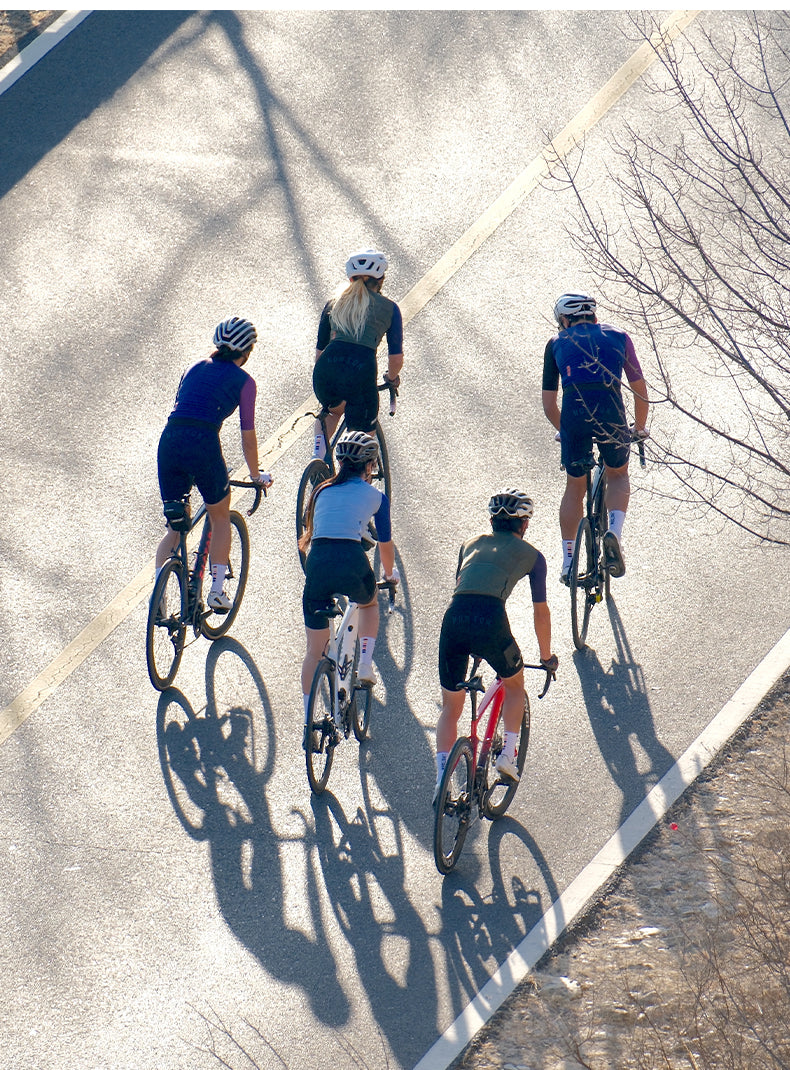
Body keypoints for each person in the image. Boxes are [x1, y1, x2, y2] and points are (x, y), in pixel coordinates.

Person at [435, 489, 558, 801]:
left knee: (451, 706)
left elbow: (466, 588)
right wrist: (546, 658)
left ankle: (441, 779)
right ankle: (508, 755)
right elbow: (540, 612)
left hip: (454, 619)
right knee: (515, 684)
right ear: (524, 525)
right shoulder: (532, 556)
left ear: (492, 520)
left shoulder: (469, 545)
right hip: (490, 620)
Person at [155, 316, 272, 611]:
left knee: (175, 527)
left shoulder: (194, 366)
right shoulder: (245, 382)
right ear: (246, 352)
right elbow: (248, 436)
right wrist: (256, 474)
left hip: (169, 441)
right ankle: (217, 591)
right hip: (203, 443)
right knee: (220, 516)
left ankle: (158, 598)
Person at [541, 293, 649, 583]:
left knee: (575, 486)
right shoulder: (620, 337)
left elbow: (550, 404)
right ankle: (614, 531)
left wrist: (564, 431)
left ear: (564, 320)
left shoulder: (555, 344)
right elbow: (639, 388)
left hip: (575, 415)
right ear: (594, 316)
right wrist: (639, 428)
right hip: (611, 413)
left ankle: (567, 562)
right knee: (617, 474)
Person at [299, 430, 399, 708]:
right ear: (370, 466)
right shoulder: (376, 497)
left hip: (317, 564)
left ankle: (309, 717)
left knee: (313, 653)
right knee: (368, 604)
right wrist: (389, 575)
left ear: (340, 463)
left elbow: (311, 533)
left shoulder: (321, 491)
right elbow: (385, 544)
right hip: (351, 561)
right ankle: (365, 664)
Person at [311, 248, 404, 458]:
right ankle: (356, 475)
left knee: (332, 412)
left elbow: (319, 353)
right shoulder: (390, 308)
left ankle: (317, 456)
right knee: (362, 439)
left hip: (326, 370)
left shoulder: (333, 303)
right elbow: (395, 359)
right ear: (381, 280)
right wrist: (391, 378)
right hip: (361, 370)